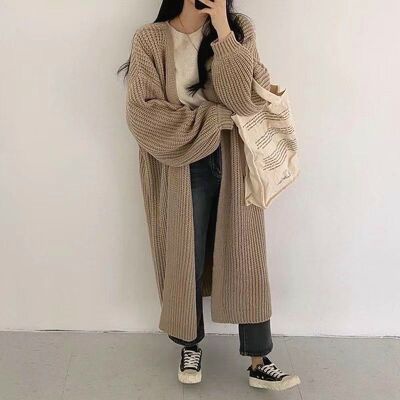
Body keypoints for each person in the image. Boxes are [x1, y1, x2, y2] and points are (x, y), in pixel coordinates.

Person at [119, 0, 300, 391]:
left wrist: (222, 27)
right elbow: (141, 112)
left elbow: (244, 99)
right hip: (183, 161)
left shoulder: (237, 29)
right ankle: (190, 345)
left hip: (234, 158)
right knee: (187, 252)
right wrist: (212, 119)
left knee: (246, 254)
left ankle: (259, 359)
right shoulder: (150, 38)